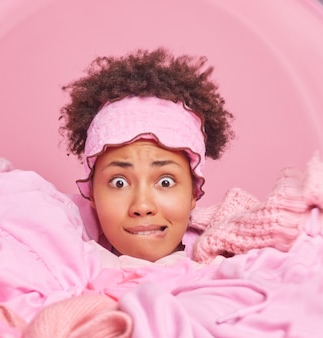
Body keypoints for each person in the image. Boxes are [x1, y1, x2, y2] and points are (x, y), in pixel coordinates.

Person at [59, 47, 235, 262]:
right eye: (119, 183)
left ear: (193, 193)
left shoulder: (232, 266)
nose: (142, 207)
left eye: (166, 182)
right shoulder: (63, 260)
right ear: (92, 194)